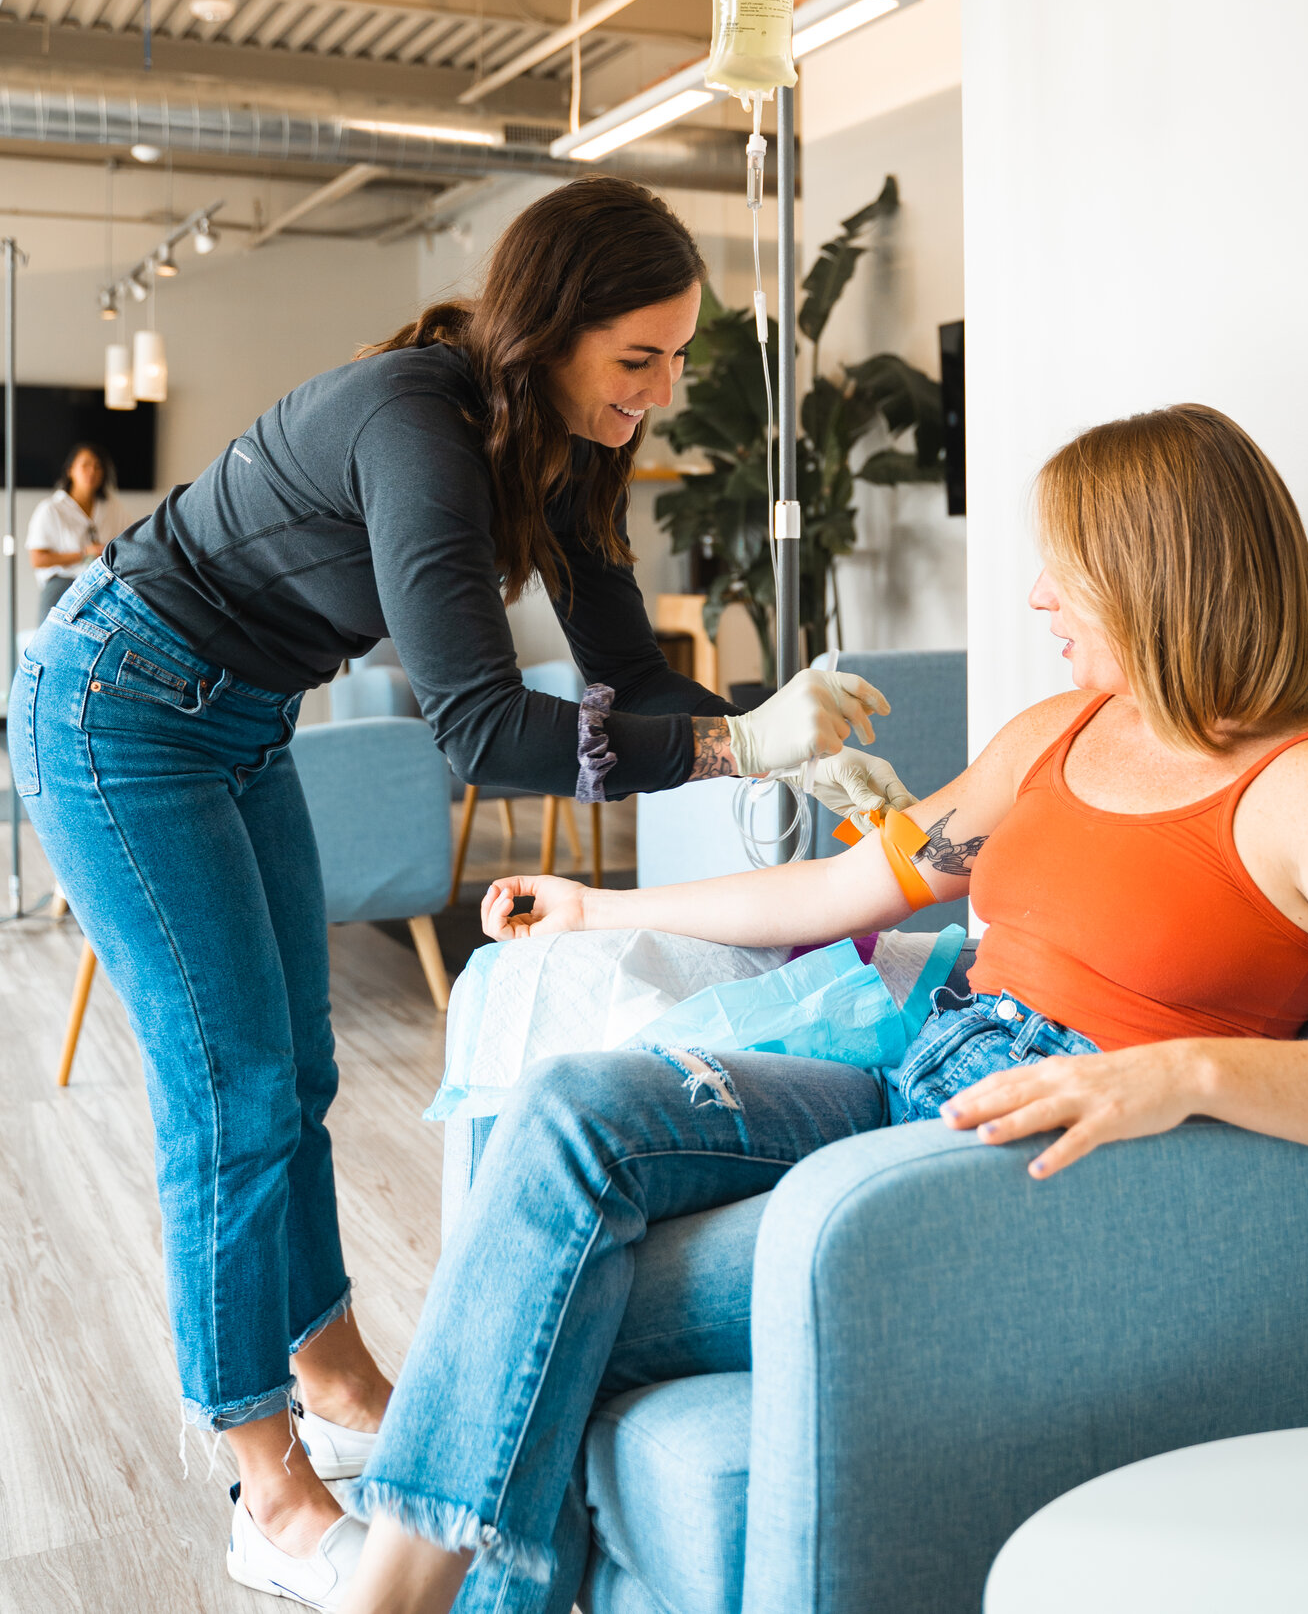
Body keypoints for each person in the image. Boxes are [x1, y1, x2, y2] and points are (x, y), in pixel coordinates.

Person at [332, 403, 1308, 1614]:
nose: (1039, 599)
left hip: (1030, 1167)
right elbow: (844, 885)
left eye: (1068, 570)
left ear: (1158, 573)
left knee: (550, 1286)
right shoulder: (1059, 735)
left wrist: (1184, 1075)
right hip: (909, 1082)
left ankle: (396, 1600)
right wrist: (602, 911)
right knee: (575, 1109)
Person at [9, 179, 909, 1611]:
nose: (664, 391)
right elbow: (483, 728)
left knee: (293, 1070)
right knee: (231, 1090)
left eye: (678, 358)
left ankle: (337, 1378)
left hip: (234, 716)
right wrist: (739, 742)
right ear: (549, 331)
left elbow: (623, 678)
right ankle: (269, 1483)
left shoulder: (560, 443)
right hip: (116, 705)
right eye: (639, 360)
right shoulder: (418, 422)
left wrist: (769, 720)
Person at [26, 441, 114, 618]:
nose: (92, 471)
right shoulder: (51, 508)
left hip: (102, 585)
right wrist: (84, 553)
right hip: (62, 586)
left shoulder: (112, 508)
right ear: (70, 470)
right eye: (85, 465)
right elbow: (37, 559)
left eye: (98, 466)